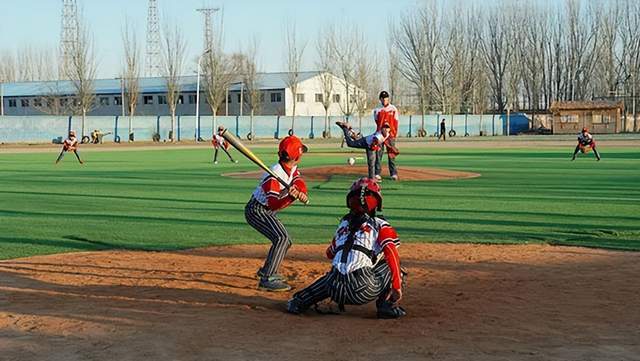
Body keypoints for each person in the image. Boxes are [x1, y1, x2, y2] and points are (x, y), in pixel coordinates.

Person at [287, 177, 406, 319]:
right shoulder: (380, 224)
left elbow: (330, 254)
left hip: (335, 289)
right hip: (362, 290)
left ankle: (299, 301)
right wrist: (397, 286)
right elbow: (391, 252)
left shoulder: (343, 224)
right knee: (389, 263)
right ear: (377, 202)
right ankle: (386, 306)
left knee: (334, 274)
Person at [244, 135, 309, 292]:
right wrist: (291, 197)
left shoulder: (291, 168)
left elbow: (298, 181)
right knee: (282, 238)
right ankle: (267, 278)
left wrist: (300, 191)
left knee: (285, 241)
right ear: (296, 156)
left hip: (266, 210)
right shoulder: (274, 174)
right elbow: (273, 204)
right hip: (256, 210)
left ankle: (267, 270)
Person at [335, 121, 399, 180]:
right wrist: (377, 147)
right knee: (350, 144)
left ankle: (372, 178)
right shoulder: (378, 135)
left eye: (387, 128)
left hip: (369, 144)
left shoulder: (387, 134)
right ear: (381, 128)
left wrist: (391, 147)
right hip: (366, 142)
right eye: (384, 127)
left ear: (389, 129)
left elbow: (384, 142)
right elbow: (373, 144)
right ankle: (345, 129)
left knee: (371, 162)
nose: (385, 129)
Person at [373, 91, 400, 181]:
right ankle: (377, 173)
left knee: (391, 154)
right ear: (380, 99)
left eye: (386, 98)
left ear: (388, 99)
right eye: (383, 98)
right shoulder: (377, 110)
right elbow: (377, 122)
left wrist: (393, 134)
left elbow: (396, 122)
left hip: (390, 135)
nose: (385, 100)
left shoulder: (393, 109)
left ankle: (393, 173)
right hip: (380, 135)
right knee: (378, 154)